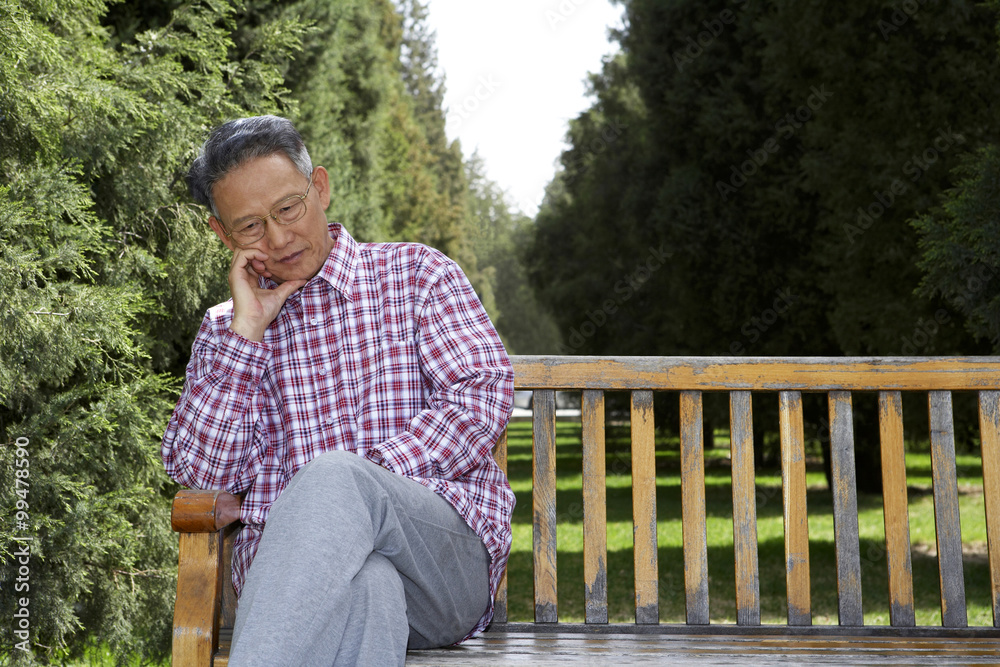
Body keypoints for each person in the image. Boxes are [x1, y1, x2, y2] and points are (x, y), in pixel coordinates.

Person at [161, 115, 514, 666]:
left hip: (440, 571)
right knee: (370, 587)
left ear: (319, 188)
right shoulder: (226, 332)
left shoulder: (416, 275)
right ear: (223, 236)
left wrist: (350, 487)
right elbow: (205, 478)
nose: (277, 239)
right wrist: (247, 335)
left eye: (288, 209)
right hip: (311, 596)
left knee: (334, 480)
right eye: (250, 227)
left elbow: (479, 400)